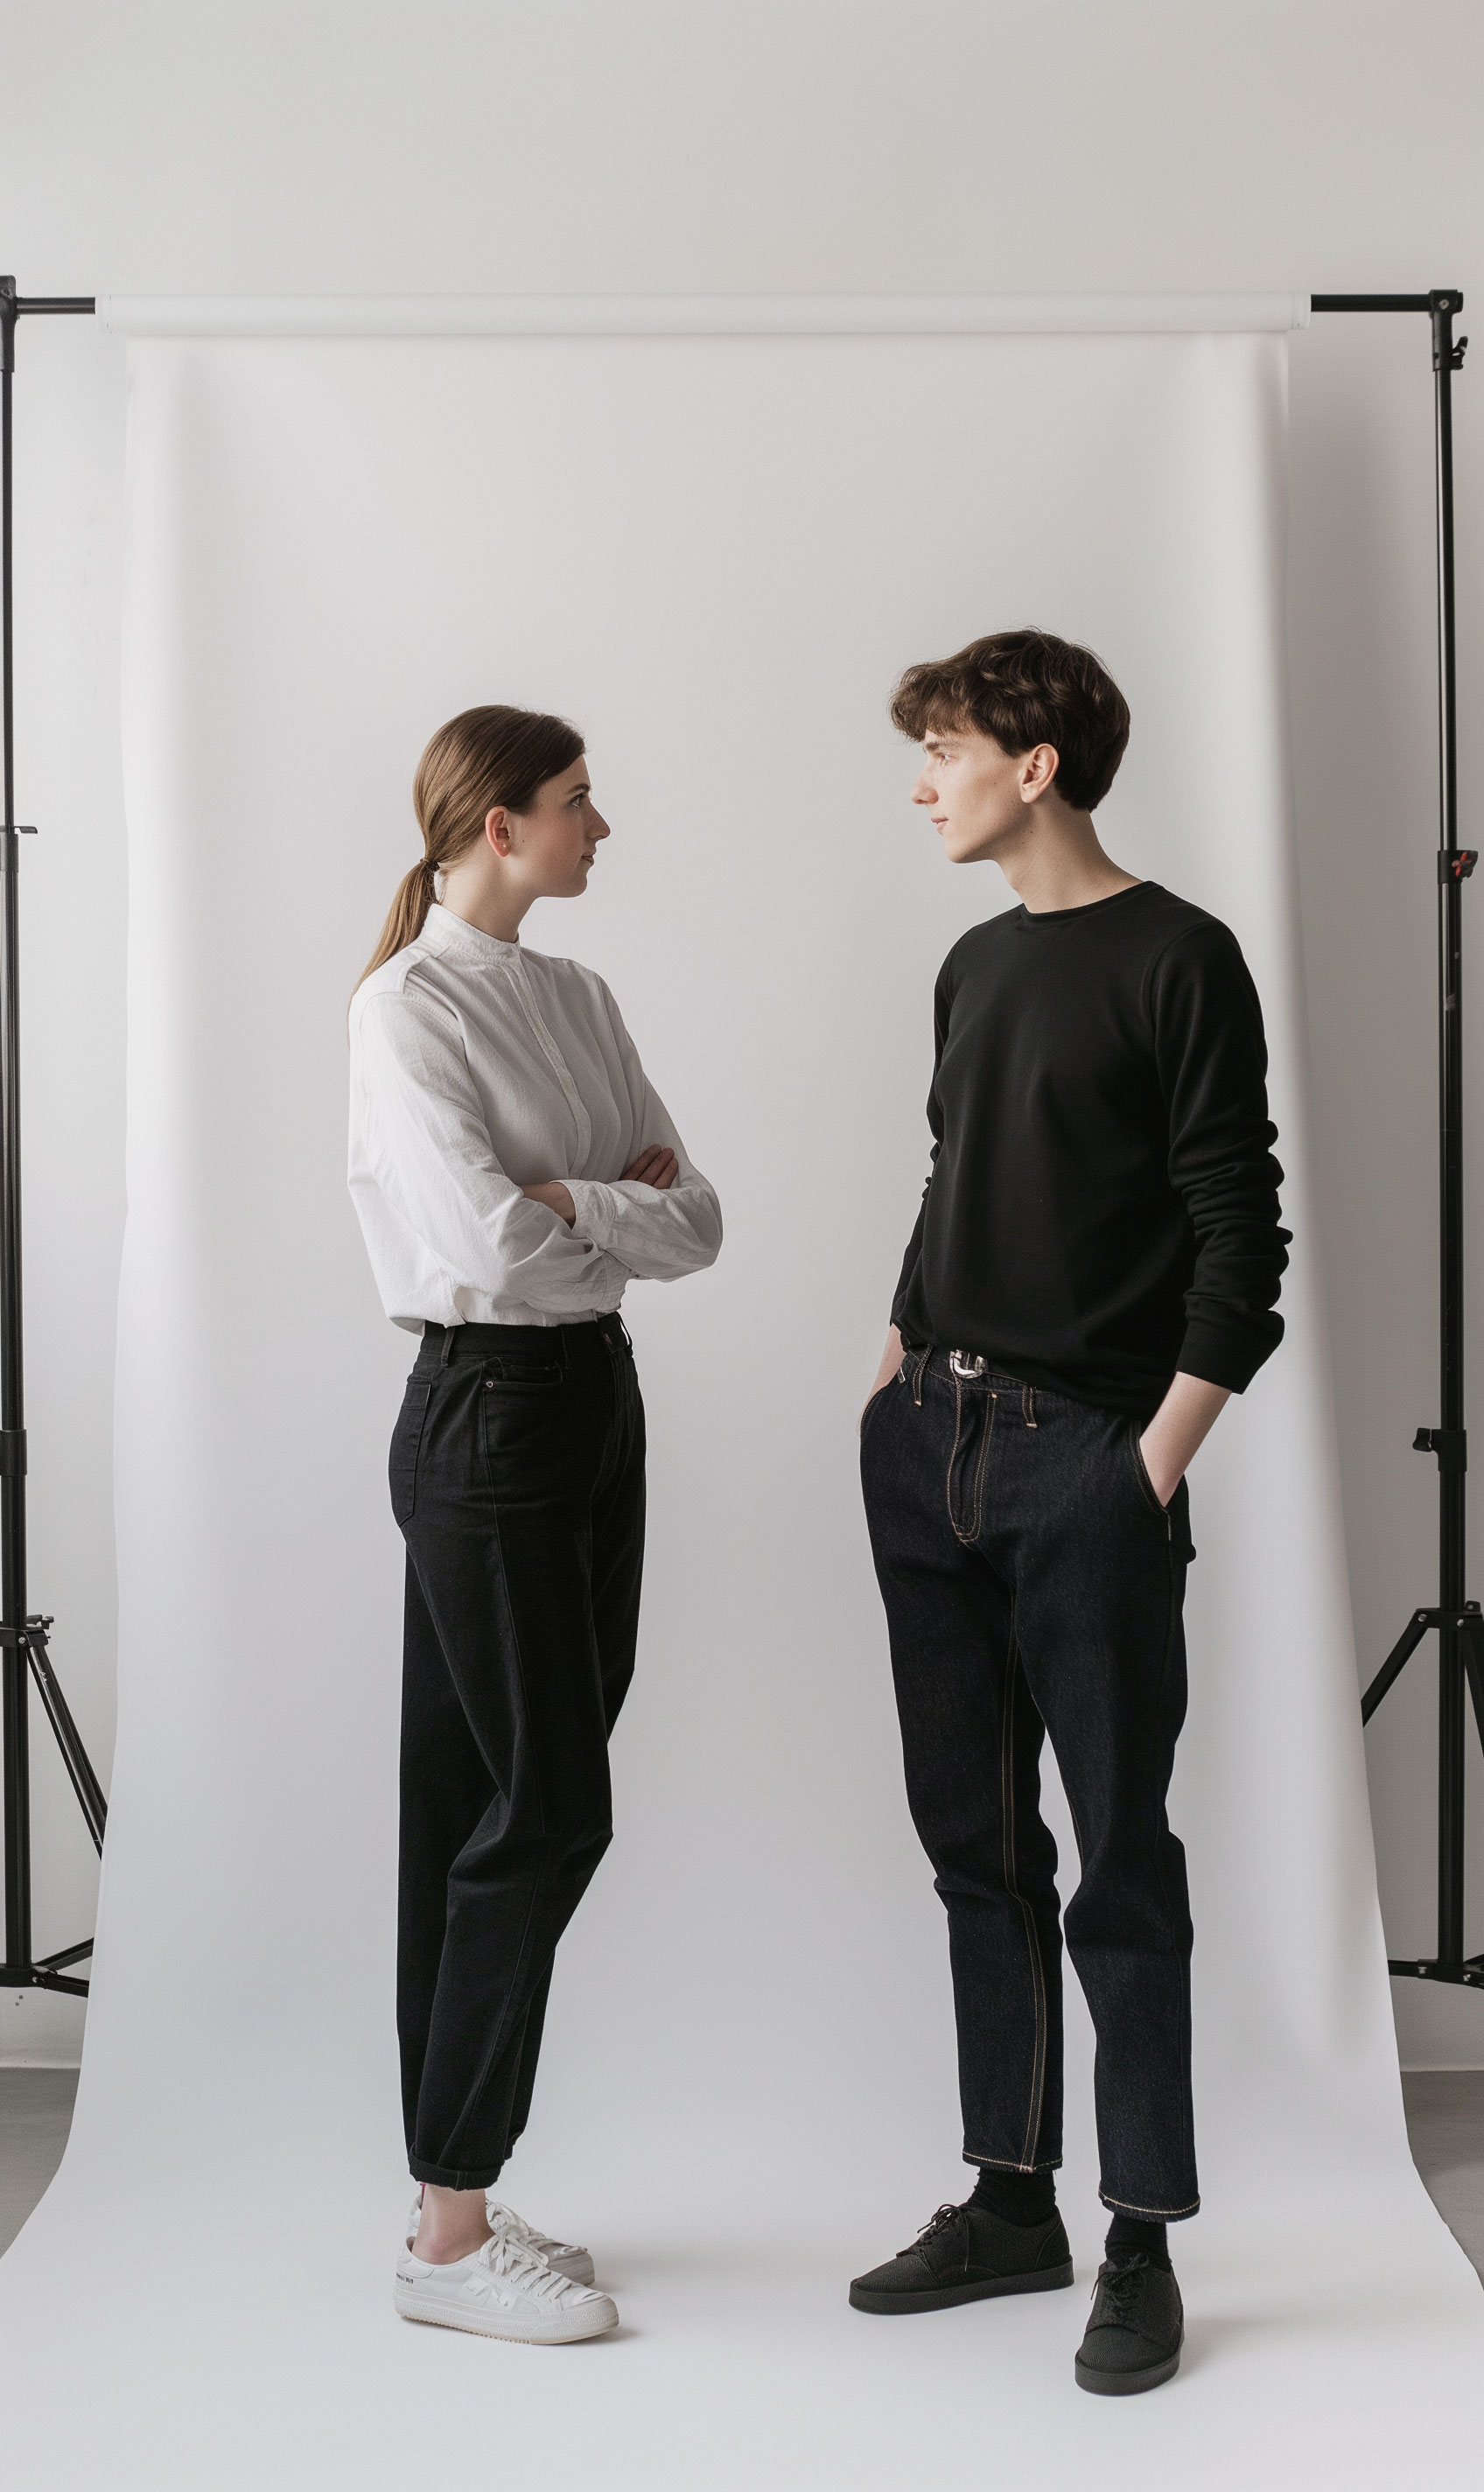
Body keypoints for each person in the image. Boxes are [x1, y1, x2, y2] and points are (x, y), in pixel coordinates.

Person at [850, 629, 1288, 2396]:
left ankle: (1137, 2232)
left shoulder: (1179, 957)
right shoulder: (967, 964)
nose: (919, 779)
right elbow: (953, 1170)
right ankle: (1007, 2193)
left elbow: (1235, 1232)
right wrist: (890, 1362)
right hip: (926, 1445)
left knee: (1117, 1858)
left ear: (1032, 764)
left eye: (941, 747)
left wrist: (1146, 1460)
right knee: (975, 1847)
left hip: (1084, 1462)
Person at [348, 705, 722, 2343]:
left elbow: (699, 1220)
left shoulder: (576, 996)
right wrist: (589, 1204)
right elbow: (485, 1245)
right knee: (542, 1808)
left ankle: (451, 2207)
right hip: (483, 1414)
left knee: (485, 1800)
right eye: (578, 803)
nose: (601, 826)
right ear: (497, 824)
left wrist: (585, 1207)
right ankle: (448, 2239)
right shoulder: (403, 1005)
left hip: (592, 1403)